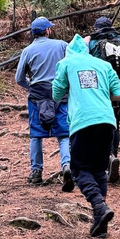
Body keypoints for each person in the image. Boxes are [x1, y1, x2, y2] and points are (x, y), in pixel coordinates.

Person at [53, 34, 120, 238]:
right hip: (107, 121)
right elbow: (118, 94)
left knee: (78, 168)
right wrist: (98, 92)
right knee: (99, 169)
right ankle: (99, 221)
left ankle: (99, 206)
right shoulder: (103, 65)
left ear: (69, 51)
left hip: (83, 122)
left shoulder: (65, 63)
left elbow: (56, 94)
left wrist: (73, 88)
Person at [15, 16, 74, 192]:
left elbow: (19, 78)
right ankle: (67, 166)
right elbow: (71, 66)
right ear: (47, 30)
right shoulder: (62, 45)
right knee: (64, 133)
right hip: (60, 93)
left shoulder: (27, 51)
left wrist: (31, 87)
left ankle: (36, 171)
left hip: (37, 95)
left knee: (36, 134)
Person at [88, 16, 120, 182]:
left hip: (99, 91)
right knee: (115, 123)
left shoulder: (91, 44)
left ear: (96, 28)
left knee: (97, 124)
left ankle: (102, 161)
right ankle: (113, 155)